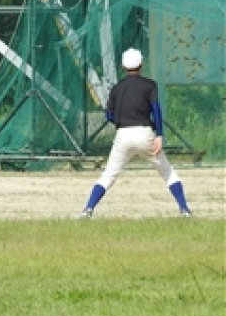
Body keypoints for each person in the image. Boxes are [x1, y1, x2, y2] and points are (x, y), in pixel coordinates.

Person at [80, 48, 191, 218]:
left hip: (123, 135)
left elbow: (109, 115)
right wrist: (159, 134)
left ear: (123, 66)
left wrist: (120, 122)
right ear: (141, 64)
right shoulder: (150, 85)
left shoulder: (117, 88)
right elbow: (156, 109)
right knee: (167, 172)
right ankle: (184, 210)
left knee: (108, 176)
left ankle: (88, 209)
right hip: (144, 133)